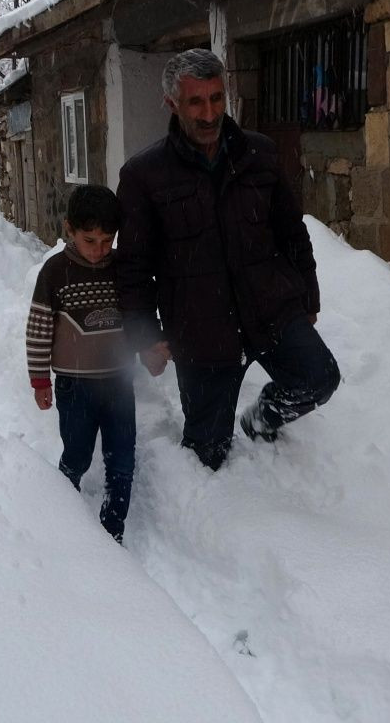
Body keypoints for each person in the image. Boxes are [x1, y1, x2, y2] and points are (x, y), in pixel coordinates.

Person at [115, 48, 340, 471]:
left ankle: (261, 420)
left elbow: (293, 232)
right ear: (172, 104)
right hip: (202, 331)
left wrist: (308, 298)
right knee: (207, 455)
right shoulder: (144, 176)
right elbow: (133, 267)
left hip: (270, 308)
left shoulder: (260, 155)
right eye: (195, 102)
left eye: (216, 98)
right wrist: (146, 335)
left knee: (319, 378)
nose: (208, 113)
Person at [25, 185, 135, 542]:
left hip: (120, 382)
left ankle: (112, 532)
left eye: (107, 240)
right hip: (75, 387)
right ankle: (64, 516)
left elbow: (140, 316)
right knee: (77, 455)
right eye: (90, 240)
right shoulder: (55, 273)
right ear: (69, 229)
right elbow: (39, 330)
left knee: (122, 460)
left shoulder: (122, 269)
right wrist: (40, 380)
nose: (99, 250)